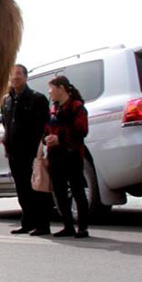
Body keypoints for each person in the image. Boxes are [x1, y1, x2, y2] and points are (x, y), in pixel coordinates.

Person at [2, 64, 52, 235]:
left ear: (25, 76)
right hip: (14, 152)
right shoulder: (6, 100)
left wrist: (40, 148)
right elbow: (6, 124)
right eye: (12, 74)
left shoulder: (37, 99)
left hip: (31, 152)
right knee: (22, 189)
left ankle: (43, 224)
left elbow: (44, 125)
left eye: (18, 74)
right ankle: (27, 222)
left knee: (37, 188)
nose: (15, 77)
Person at [44, 76, 90, 238]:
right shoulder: (53, 109)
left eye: (51, 88)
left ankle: (82, 227)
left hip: (72, 155)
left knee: (77, 190)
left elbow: (82, 131)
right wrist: (47, 139)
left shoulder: (77, 107)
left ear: (61, 88)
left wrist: (60, 139)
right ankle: (68, 225)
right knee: (59, 191)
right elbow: (46, 130)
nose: (49, 92)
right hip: (55, 156)